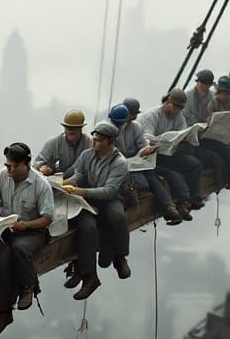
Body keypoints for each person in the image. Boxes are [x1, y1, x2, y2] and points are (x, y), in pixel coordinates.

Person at [0, 143, 54, 335]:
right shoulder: (3, 175)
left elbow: (47, 218)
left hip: (32, 231)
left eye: (13, 167)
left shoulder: (41, 184)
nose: (9, 170)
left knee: (19, 249)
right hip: (5, 227)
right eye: (7, 165)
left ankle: (29, 286)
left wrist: (25, 225)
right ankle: (4, 312)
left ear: (26, 164)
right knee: (2, 259)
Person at [61, 121, 130, 300]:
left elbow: (109, 191)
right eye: (94, 139)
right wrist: (66, 183)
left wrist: (81, 191)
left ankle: (120, 257)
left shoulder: (119, 163)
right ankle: (89, 277)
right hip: (88, 198)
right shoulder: (87, 155)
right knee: (87, 228)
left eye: (99, 140)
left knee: (117, 216)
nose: (94, 143)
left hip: (109, 199)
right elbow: (79, 174)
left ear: (110, 141)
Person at [109, 101, 184, 224]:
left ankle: (170, 209)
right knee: (142, 183)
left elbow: (142, 144)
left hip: (136, 162)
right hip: (119, 166)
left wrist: (148, 150)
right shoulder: (108, 131)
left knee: (152, 176)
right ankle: (136, 206)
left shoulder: (135, 128)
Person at [137, 88, 205, 215]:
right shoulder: (152, 115)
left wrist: (183, 138)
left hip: (168, 152)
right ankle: (181, 202)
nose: (177, 111)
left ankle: (195, 197)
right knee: (174, 174)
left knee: (194, 164)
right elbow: (146, 138)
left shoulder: (178, 115)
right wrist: (158, 142)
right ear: (168, 103)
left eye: (180, 109)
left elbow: (182, 131)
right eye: (175, 108)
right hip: (151, 156)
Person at [34, 110, 92, 177]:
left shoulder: (89, 143)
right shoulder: (54, 142)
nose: (70, 130)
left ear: (81, 128)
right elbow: (37, 162)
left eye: (74, 128)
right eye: (68, 127)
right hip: (56, 180)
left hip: (80, 181)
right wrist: (42, 167)